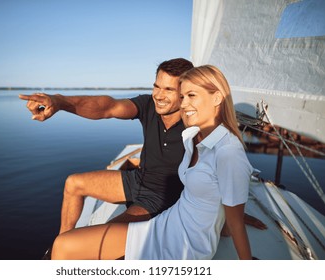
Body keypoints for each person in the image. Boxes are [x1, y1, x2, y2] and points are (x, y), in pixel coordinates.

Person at [19, 59, 266, 255]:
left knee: (105, 236)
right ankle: (60, 246)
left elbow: (218, 171)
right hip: (137, 180)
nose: (158, 95)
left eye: (169, 89)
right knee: (73, 183)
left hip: (160, 198)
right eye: (157, 86)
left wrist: (233, 214)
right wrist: (60, 102)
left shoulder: (195, 125)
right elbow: (107, 107)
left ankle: (72, 251)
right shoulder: (148, 105)